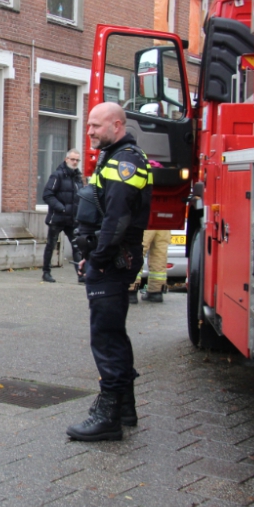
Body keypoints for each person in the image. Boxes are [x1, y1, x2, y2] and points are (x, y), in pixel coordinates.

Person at [67, 102, 152, 442]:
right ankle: (125, 408)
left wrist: (99, 259)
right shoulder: (116, 157)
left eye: (96, 126)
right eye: (88, 125)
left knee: (105, 337)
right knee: (114, 333)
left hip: (113, 262)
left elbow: (116, 221)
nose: (89, 131)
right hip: (112, 260)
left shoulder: (125, 162)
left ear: (117, 125)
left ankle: (108, 416)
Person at [41, 149, 84, 284]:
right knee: (51, 245)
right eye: (73, 159)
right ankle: (46, 272)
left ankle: (81, 275)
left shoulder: (78, 177)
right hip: (58, 218)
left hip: (73, 219)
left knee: (78, 247)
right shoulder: (57, 175)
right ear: (66, 159)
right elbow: (47, 195)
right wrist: (62, 208)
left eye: (77, 160)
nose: (75, 162)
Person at [130, 229, 171, 304]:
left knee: (137, 250)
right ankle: (156, 292)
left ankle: (131, 290)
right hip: (164, 222)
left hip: (146, 221)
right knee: (159, 254)